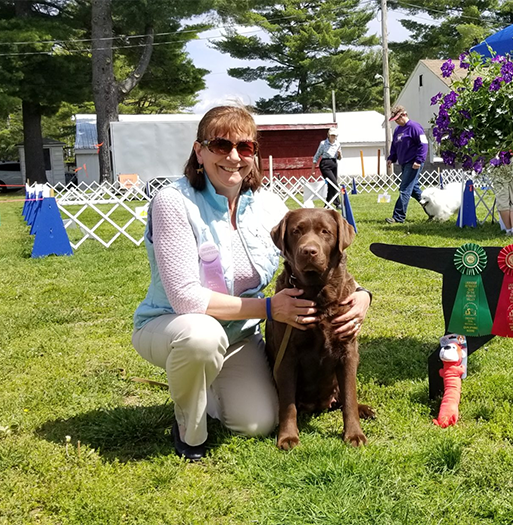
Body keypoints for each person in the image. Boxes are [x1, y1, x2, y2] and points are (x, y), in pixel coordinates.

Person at [132, 106, 371, 461]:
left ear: (254, 155)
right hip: (172, 327)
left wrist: (362, 296)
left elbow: (309, 242)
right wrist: (270, 308)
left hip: (239, 336)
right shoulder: (173, 201)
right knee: (201, 337)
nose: (233, 157)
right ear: (199, 151)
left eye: (244, 148)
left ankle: (207, 387)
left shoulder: (265, 204)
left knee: (256, 422)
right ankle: (189, 430)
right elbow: (185, 298)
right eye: (220, 145)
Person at [385, 105, 429, 223]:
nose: (397, 122)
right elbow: (394, 146)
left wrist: (419, 160)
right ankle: (433, 210)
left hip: (413, 162)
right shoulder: (398, 130)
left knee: (404, 189)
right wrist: (391, 158)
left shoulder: (415, 127)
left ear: (404, 115)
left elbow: (423, 145)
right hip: (404, 162)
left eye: (398, 119)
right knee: (414, 190)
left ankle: (398, 217)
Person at [312, 127, 342, 209]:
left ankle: (327, 205)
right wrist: (313, 169)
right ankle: (337, 203)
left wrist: (339, 154)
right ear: (328, 135)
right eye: (332, 135)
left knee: (331, 185)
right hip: (325, 164)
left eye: (334, 135)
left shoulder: (338, 144)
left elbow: (340, 158)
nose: (333, 137)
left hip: (334, 163)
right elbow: (316, 156)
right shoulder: (323, 143)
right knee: (334, 184)